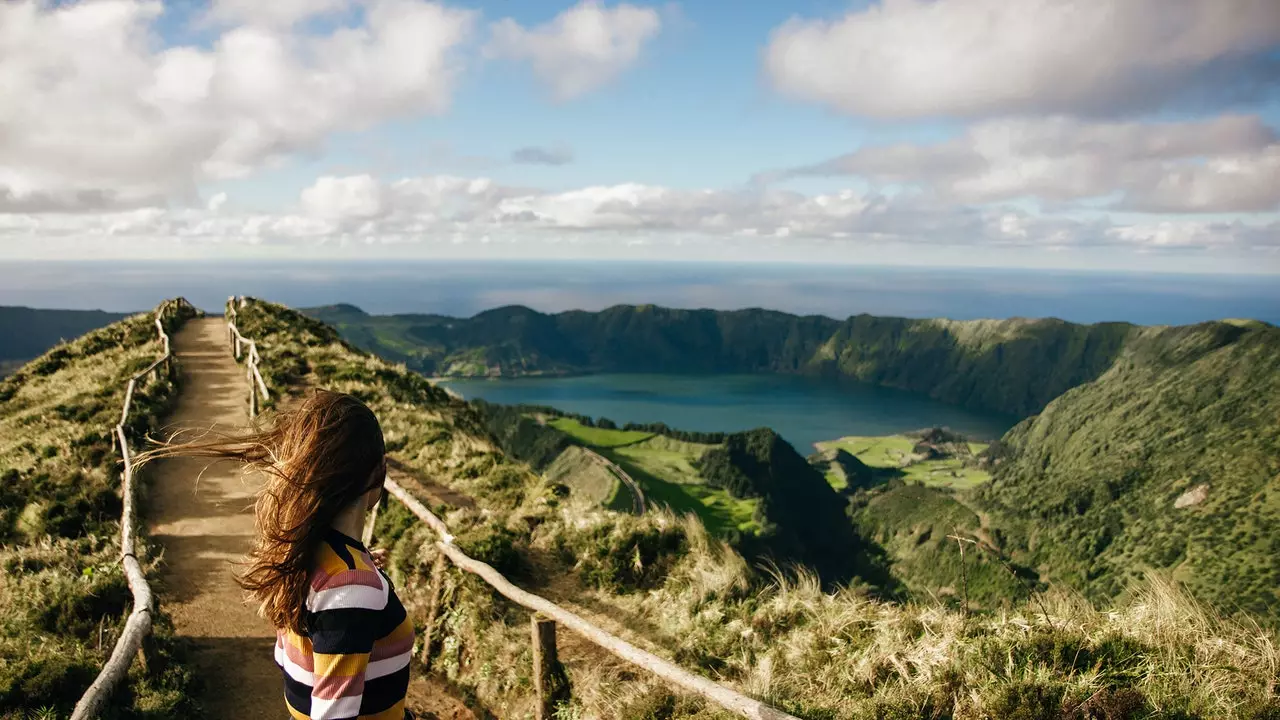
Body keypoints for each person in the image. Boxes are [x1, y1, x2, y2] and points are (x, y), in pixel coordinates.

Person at [140, 390, 414, 720]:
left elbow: (292, 658)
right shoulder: (350, 586)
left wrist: (364, 570)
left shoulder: (304, 555)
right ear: (377, 473)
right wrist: (359, 584)